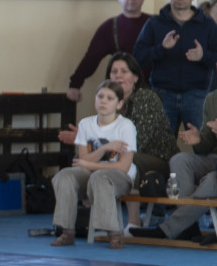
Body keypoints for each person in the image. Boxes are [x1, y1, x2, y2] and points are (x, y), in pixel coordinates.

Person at [58, 52, 174, 231]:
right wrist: (83, 139)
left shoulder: (146, 98)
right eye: (114, 72)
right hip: (120, 152)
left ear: (135, 77)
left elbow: (137, 143)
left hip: (156, 157)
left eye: (124, 71)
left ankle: (133, 222)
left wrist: (96, 144)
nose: (118, 76)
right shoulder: (108, 100)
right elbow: (102, 137)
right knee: (81, 157)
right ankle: (90, 214)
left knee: (128, 159)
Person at [50, 81, 136, 249]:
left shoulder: (126, 126)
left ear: (119, 104)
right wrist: (105, 148)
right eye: (100, 96)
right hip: (91, 175)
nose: (103, 101)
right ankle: (67, 232)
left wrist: (90, 164)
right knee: (65, 175)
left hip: (119, 178)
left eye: (109, 98)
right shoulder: (85, 124)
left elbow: (123, 167)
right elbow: (84, 159)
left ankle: (114, 234)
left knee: (100, 177)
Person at [129, 87, 217, 244]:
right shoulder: (212, 99)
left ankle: (170, 228)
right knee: (179, 160)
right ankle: (189, 227)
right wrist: (199, 139)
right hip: (213, 159)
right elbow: (207, 144)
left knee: (212, 180)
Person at [133, 0, 217, 133]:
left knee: (203, 143)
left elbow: (215, 58)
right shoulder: (155, 23)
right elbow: (138, 56)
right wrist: (161, 49)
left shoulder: (207, 25)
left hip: (197, 95)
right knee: (160, 145)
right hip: (162, 94)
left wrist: (203, 56)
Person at [66, 0, 149, 102]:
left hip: (152, 90)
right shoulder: (109, 27)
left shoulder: (155, 24)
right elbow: (91, 59)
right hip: (121, 92)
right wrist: (75, 84)